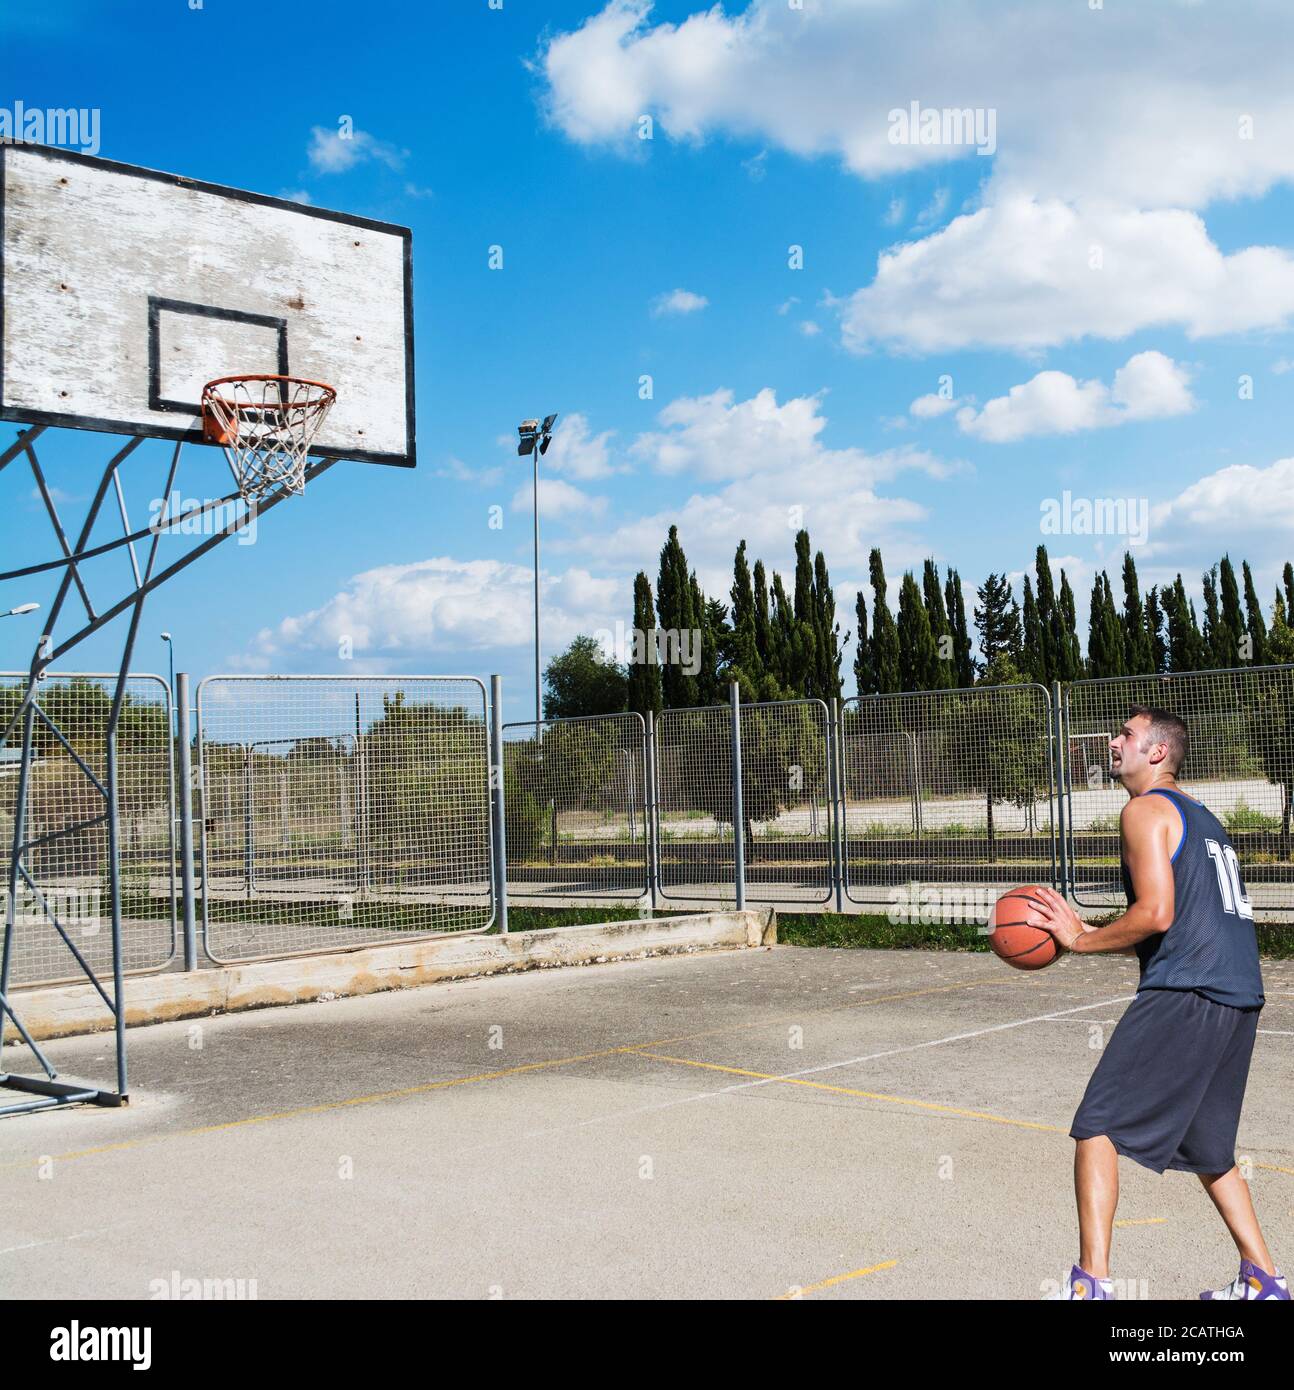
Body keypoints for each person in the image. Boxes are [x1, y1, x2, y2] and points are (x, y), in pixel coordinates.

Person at [1026, 706, 1287, 1301]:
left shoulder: (1144, 809)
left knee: (1097, 1124)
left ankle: (1091, 1285)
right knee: (1209, 1148)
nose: (1113, 741)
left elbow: (1157, 914)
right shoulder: (1204, 817)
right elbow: (1189, 919)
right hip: (1239, 995)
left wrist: (1081, 939)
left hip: (1187, 993)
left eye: (1126, 734)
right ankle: (1265, 1281)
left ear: (1157, 752)